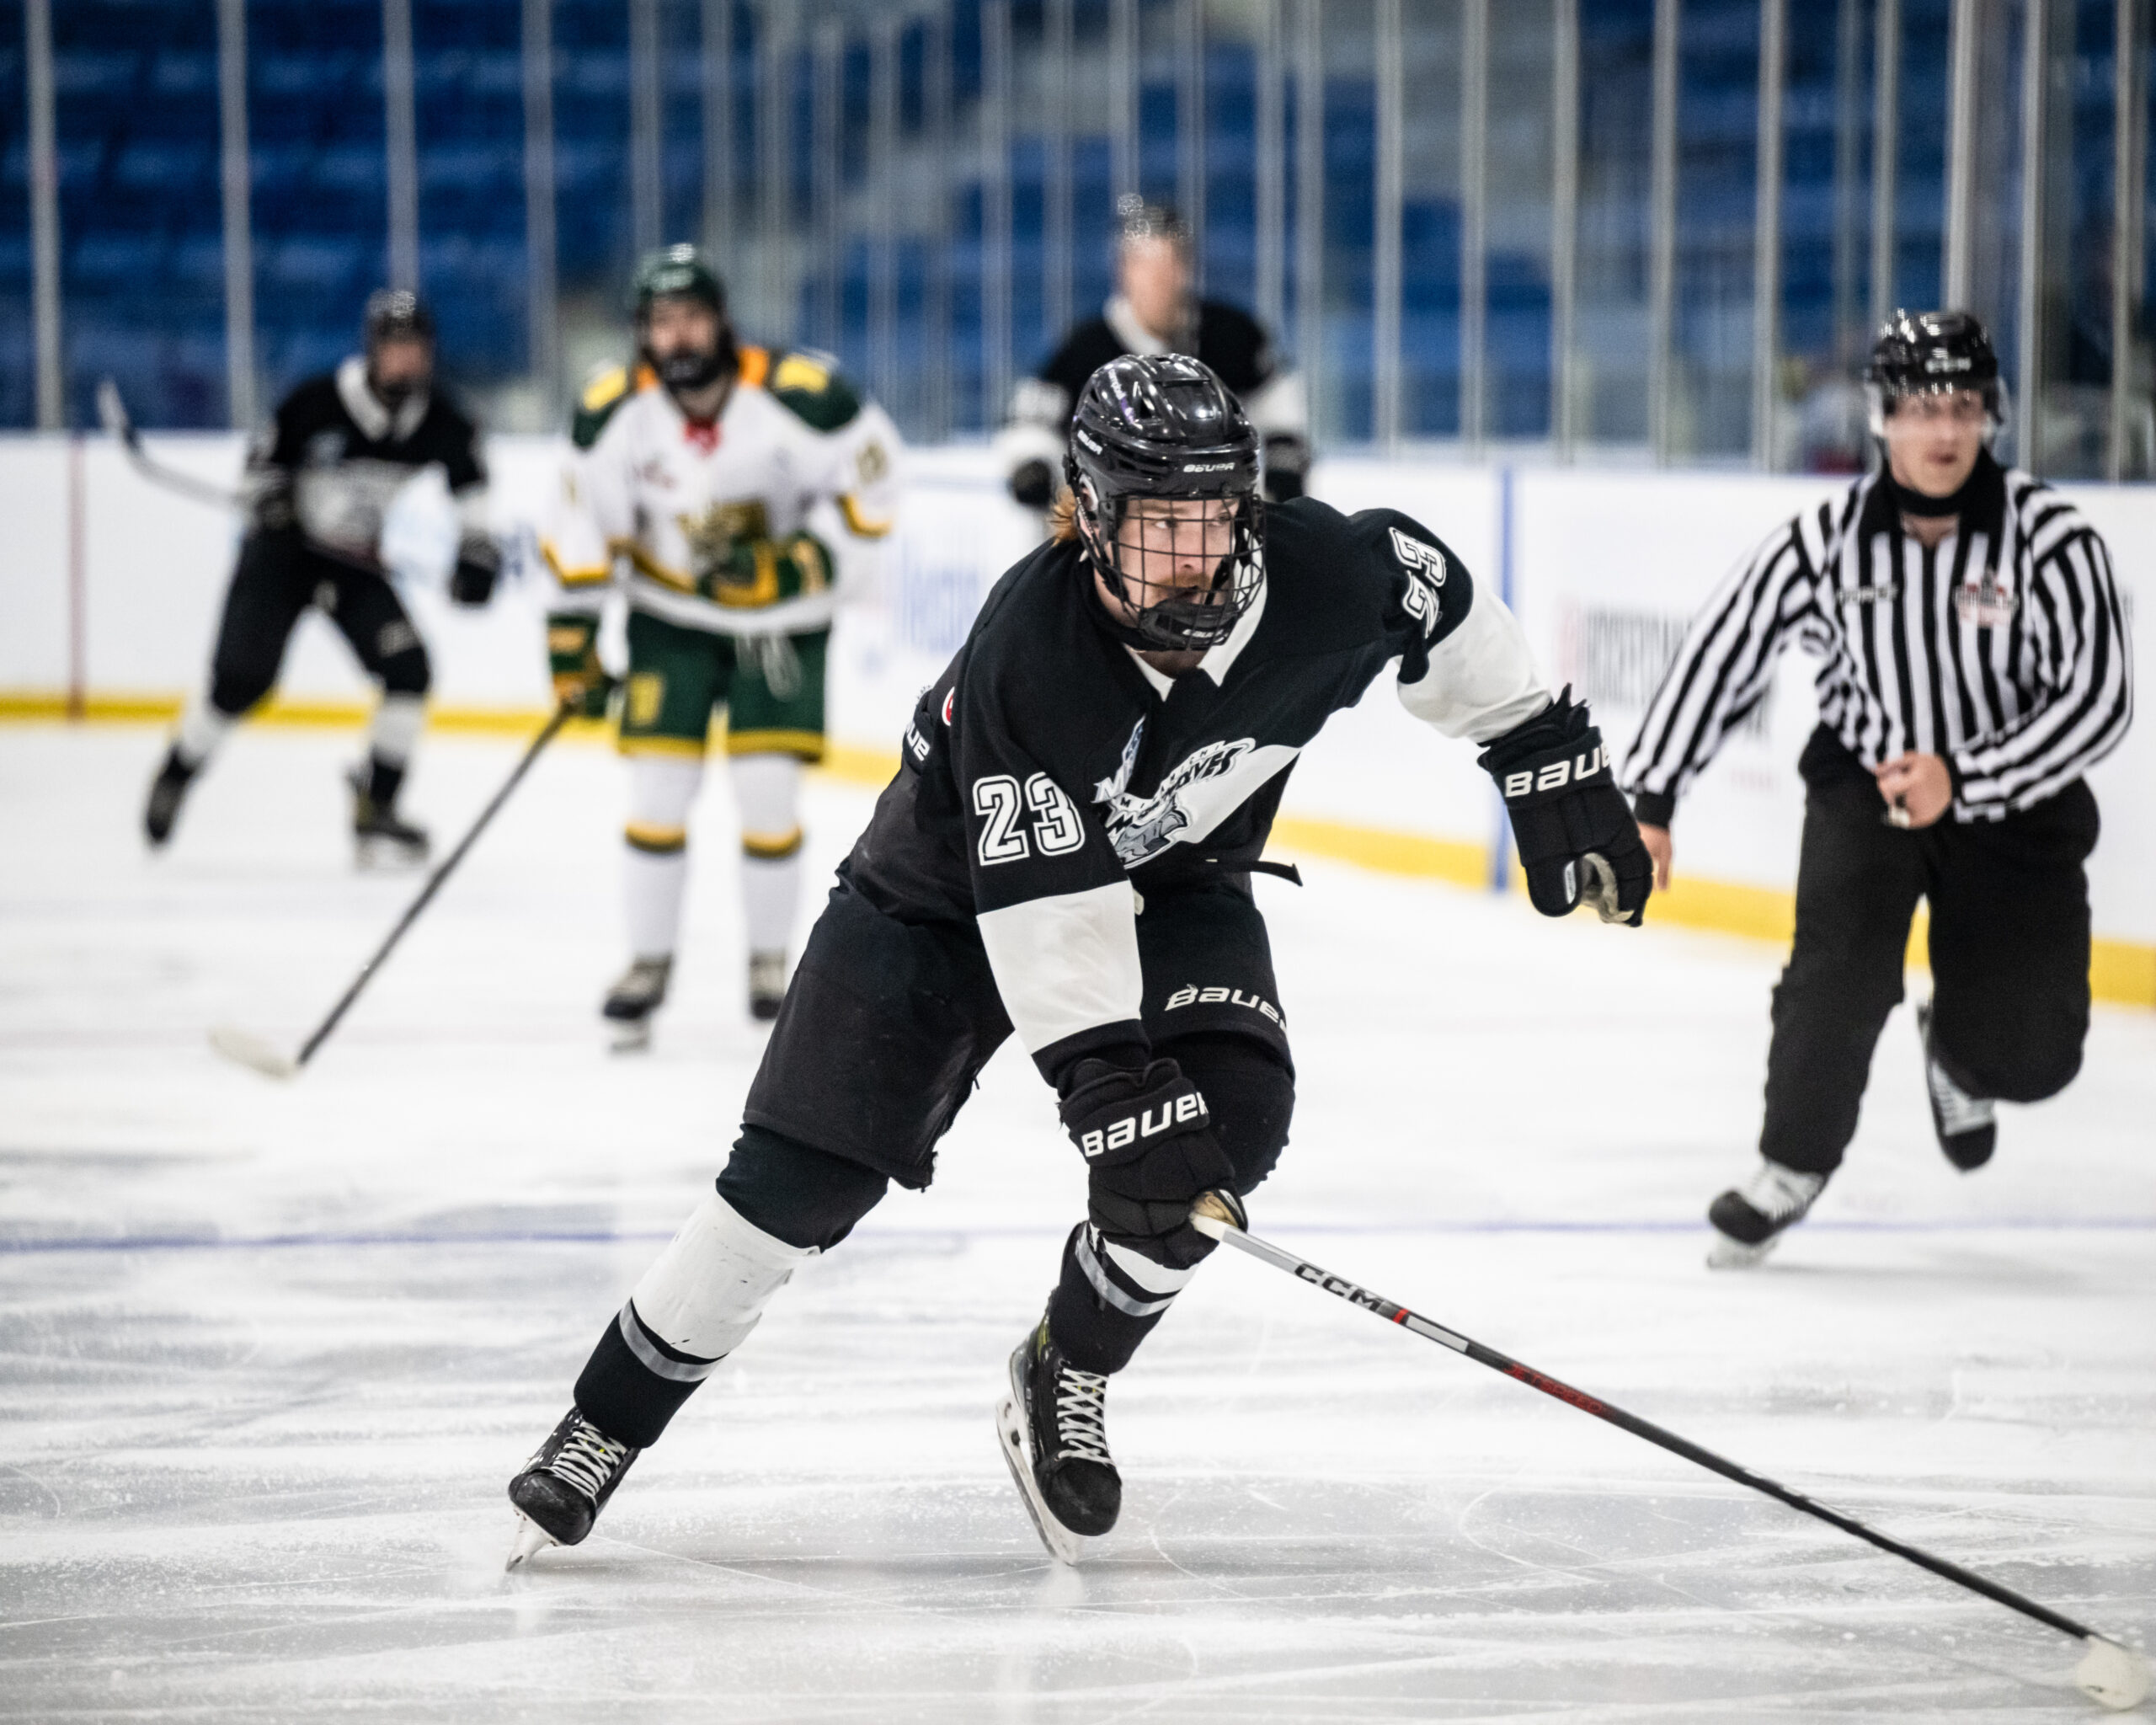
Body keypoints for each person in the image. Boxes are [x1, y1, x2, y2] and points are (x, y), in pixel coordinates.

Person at [504, 353, 1652, 1567]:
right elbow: (1048, 917)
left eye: (1212, 516)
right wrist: (1109, 1086)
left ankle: (1066, 1368)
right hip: (937, 901)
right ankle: (603, 1424)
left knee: (1228, 1124)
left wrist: (1543, 749)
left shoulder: (1321, 577)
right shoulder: (1033, 655)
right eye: (1157, 525)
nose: (1191, 555)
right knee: (797, 1186)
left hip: (1178, 877)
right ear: (1092, 516)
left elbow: (1434, 596)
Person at [1623, 311, 2134, 1268]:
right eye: (1921, 408)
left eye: (1964, 407)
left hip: (2014, 802)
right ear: (1882, 416)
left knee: (2035, 1053)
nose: (1943, 431)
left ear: (1992, 414)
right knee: (1835, 974)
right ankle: (1789, 1165)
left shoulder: (2054, 538)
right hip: (1869, 785)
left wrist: (1969, 776)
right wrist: (1652, 800)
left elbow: (2099, 700)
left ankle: (1961, 1055)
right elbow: (1722, 655)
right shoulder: (1821, 541)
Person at [542, 244, 903, 1036]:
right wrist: (572, 645)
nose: (678, 338)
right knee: (657, 790)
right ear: (642, 334)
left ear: (723, 322)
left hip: (781, 629)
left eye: (692, 318)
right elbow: (581, 530)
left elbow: (874, 497)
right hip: (669, 618)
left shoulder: (806, 398)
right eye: (660, 323)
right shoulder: (612, 413)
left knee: (768, 790)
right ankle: (647, 964)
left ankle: (770, 964)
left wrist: (797, 565)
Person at [143, 290, 499, 863]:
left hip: (352, 564)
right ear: (373, 349)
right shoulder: (316, 402)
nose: (406, 361)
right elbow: (257, 473)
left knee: (409, 669)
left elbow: (473, 493)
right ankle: (178, 769)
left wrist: (476, 555)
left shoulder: (442, 420)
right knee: (239, 683)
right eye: (395, 347)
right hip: (280, 557)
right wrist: (270, 502)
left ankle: (376, 810)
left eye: (416, 349)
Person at [997, 195, 1309, 512]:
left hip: (1218, 515)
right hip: (1116, 523)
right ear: (1125, 271)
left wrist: (1284, 462)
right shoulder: (1084, 350)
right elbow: (1030, 422)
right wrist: (1033, 465)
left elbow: (1278, 404)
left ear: (1187, 268)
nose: (1159, 279)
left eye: (1170, 263)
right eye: (1146, 265)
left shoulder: (1231, 334)